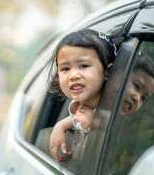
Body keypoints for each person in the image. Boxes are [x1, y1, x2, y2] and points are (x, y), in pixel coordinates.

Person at [48, 29, 116, 163]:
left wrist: (93, 127)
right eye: (65, 69)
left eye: (83, 65)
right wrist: (60, 126)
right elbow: (75, 119)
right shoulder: (77, 105)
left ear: (107, 71)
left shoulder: (117, 108)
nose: (73, 75)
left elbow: (112, 150)